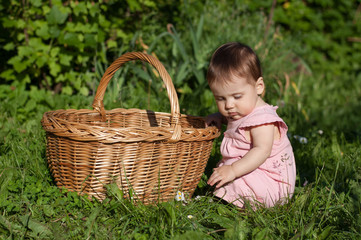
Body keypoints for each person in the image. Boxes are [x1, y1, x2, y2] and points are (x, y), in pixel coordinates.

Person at [206, 42, 296, 208]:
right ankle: (226, 199)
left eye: (237, 96)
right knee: (224, 174)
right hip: (254, 172)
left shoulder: (263, 120)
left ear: (258, 87)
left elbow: (261, 151)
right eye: (220, 99)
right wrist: (218, 117)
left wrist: (233, 170)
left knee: (232, 177)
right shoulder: (241, 110)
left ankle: (231, 205)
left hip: (272, 183)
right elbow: (237, 124)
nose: (229, 105)